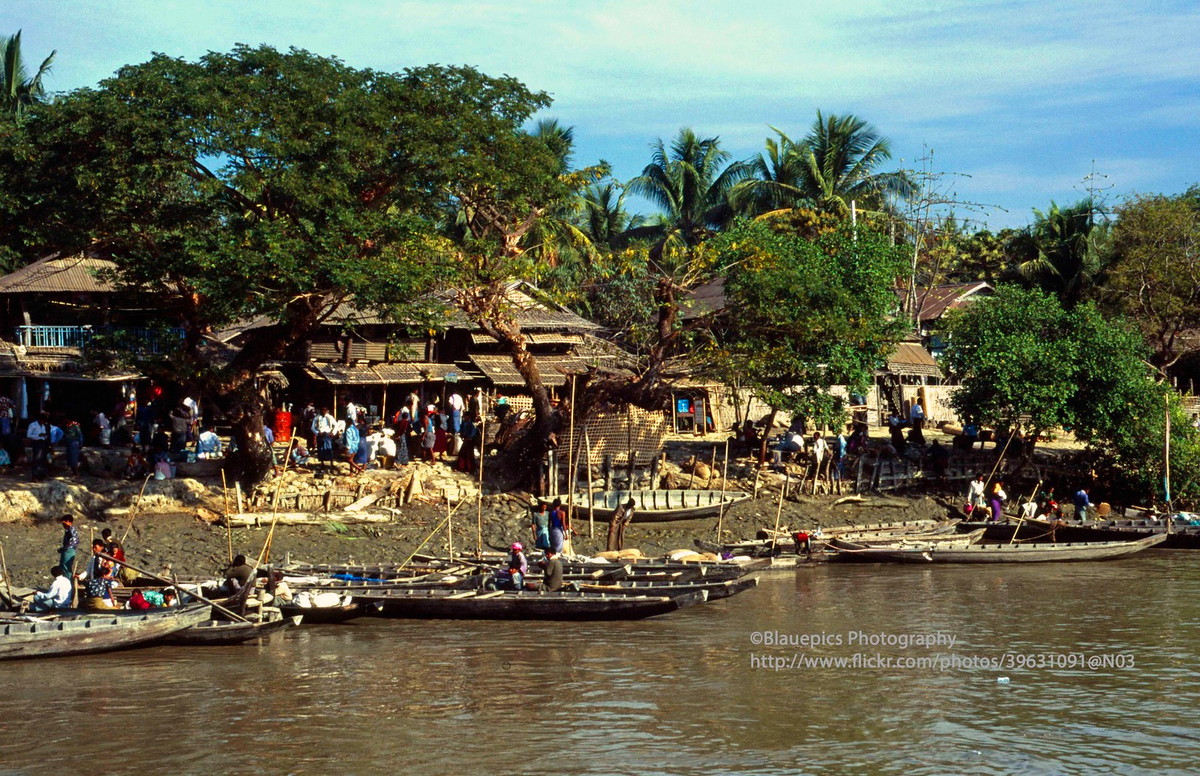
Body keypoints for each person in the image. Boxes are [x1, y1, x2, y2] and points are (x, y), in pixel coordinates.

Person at [27, 411, 51, 481]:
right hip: (36, 443)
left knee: (42, 460)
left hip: (43, 443)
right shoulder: (32, 425)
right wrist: (38, 435)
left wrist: (44, 436)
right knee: (36, 459)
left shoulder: (43, 426)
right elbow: (28, 435)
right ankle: (34, 476)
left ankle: (41, 476)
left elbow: (45, 435)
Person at [313, 407, 336, 476]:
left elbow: (336, 425)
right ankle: (322, 464)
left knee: (329, 449)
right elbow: (312, 427)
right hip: (320, 434)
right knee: (320, 449)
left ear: (326, 411)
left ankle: (331, 464)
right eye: (322, 410)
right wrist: (317, 432)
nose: (323, 411)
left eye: (325, 410)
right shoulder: (317, 417)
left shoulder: (330, 417)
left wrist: (333, 432)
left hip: (327, 434)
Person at [58, 514, 79, 578]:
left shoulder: (71, 529)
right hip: (66, 550)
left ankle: (69, 584)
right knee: (62, 567)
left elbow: (73, 540)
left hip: (69, 551)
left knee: (66, 568)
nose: (63, 525)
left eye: (64, 523)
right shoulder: (68, 530)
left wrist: (67, 524)